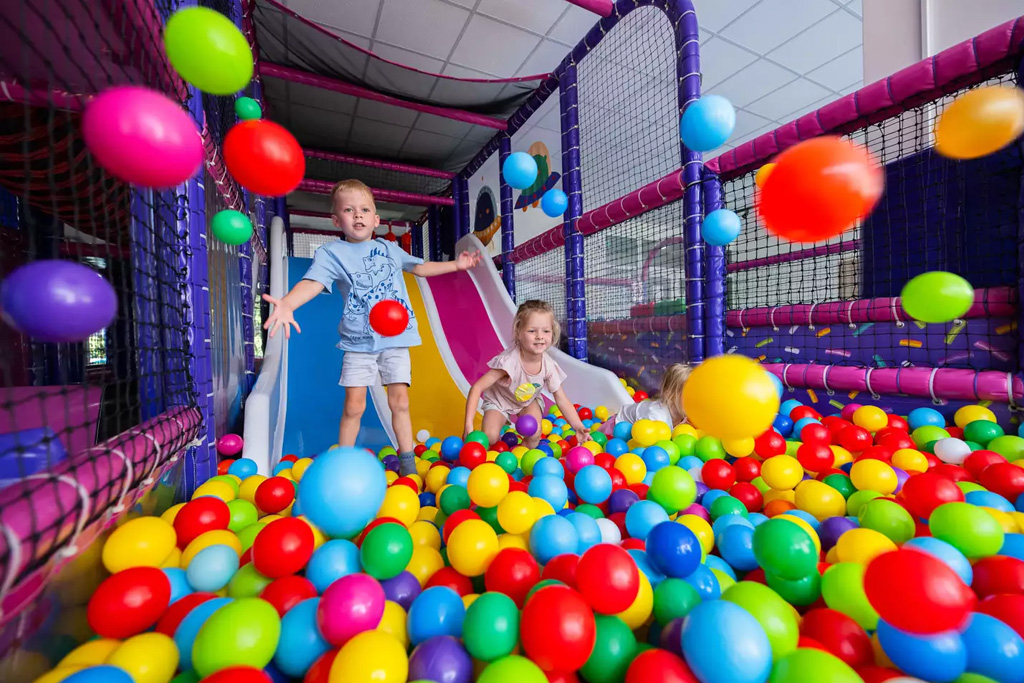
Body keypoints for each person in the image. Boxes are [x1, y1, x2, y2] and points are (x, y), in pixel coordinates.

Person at [262, 179, 481, 475]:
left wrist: (456, 265)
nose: (358, 215)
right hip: (358, 343)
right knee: (354, 405)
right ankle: (343, 463)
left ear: (376, 219)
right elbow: (313, 283)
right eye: (349, 210)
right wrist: (287, 303)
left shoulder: (389, 249)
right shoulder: (331, 253)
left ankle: (408, 464)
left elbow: (419, 267)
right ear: (336, 220)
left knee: (400, 401)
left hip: (396, 338)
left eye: (365, 210)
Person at [464, 300, 590, 449]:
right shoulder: (509, 362)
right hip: (500, 401)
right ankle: (499, 422)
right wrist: (468, 425)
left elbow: (561, 399)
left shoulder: (548, 365)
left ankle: (520, 455)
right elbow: (477, 387)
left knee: (535, 432)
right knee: (490, 438)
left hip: (527, 401)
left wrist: (578, 427)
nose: (539, 336)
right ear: (519, 332)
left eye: (546, 331)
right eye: (532, 331)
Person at [601, 363, 691, 436]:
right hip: (617, 427)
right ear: (670, 394)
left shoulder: (682, 415)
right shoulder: (655, 416)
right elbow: (645, 441)